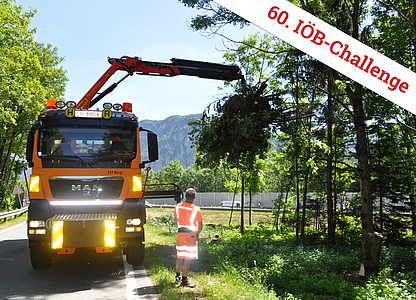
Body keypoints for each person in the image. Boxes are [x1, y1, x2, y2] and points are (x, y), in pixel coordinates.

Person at [174, 188, 203, 287]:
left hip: (180, 234)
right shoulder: (196, 209)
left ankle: (177, 276)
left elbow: (175, 218)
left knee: (180, 256)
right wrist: (197, 233)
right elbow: (200, 224)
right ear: (194, 198)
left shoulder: (178, 206)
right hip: (191, 235)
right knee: (188, 258)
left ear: (185, 196)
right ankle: (184, 279)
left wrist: (179, 227)